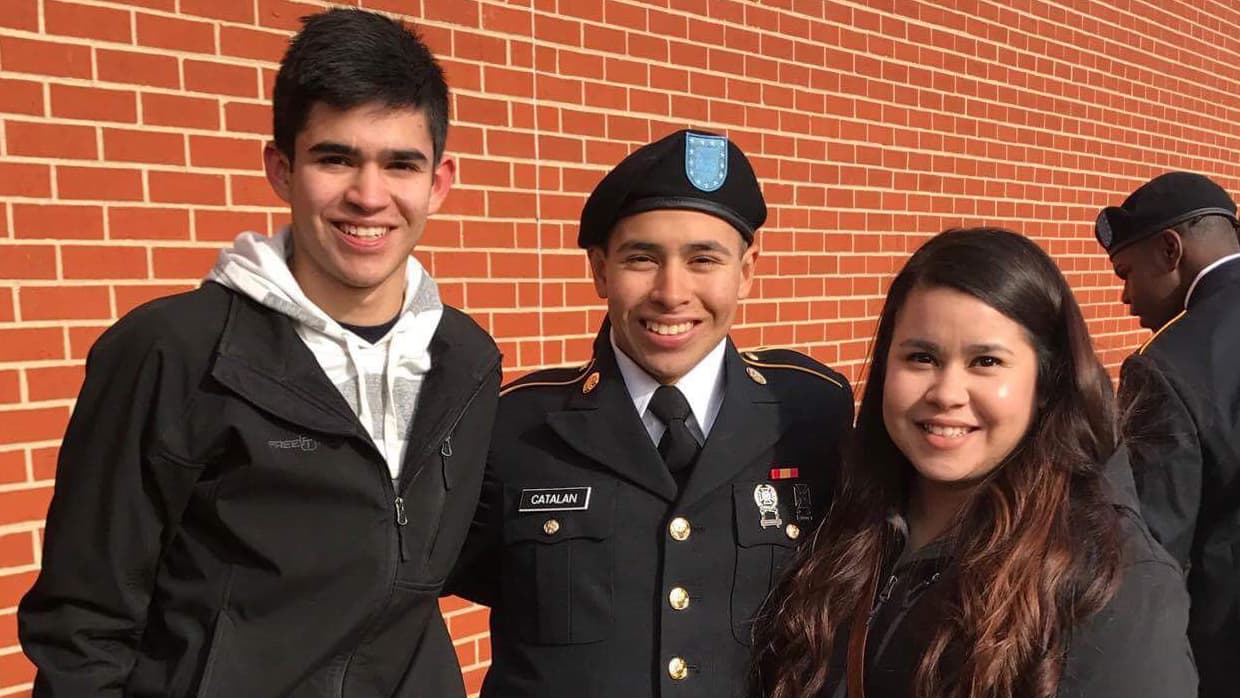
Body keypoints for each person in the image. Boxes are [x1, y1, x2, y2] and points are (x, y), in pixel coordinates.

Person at [18, 9, 500, 697]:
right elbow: (82, 627)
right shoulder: (173, 351)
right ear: (282, 168)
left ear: (439, 182)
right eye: (335, 158)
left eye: (400, 163)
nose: (369, 196)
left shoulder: (467, 359)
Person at [448, 129, 854, 697]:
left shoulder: (810, 410)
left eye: (703, 259)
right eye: (642, 258)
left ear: (746, 268)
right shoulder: (516, 427)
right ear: (599, 270)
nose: (671, 292)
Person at [752, 228, 1196, 698]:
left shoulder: (1110, 582)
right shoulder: (848, 522)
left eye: (985, 361)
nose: (946, 393)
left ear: (1046, 382)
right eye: (921, 357)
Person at [1095, 171, 1240, 698]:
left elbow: (1152, 550)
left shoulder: (1170, 363)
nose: (1126, 296)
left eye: (1126, 272)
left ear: (1170, 249)